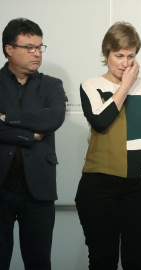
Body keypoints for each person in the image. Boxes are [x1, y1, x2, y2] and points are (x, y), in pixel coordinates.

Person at [75, 22, 141, 270]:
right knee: (101, 259)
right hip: (100, 184)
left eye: (130, 56)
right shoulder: (90, 85)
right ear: (106, 54)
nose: (124, 63)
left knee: (138, 259)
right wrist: (125, 86)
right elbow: (100, 121)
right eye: (119, 55)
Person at [0, 18, 67, 270]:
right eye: (29, 47)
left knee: (38, 262)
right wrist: (28, 135)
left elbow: (53, 117)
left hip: (37, 188)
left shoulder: (51, 84)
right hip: (1, 187)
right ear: (9, 49)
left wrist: (6, 118)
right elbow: (39, 125)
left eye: (39, 47)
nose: (36, 53)